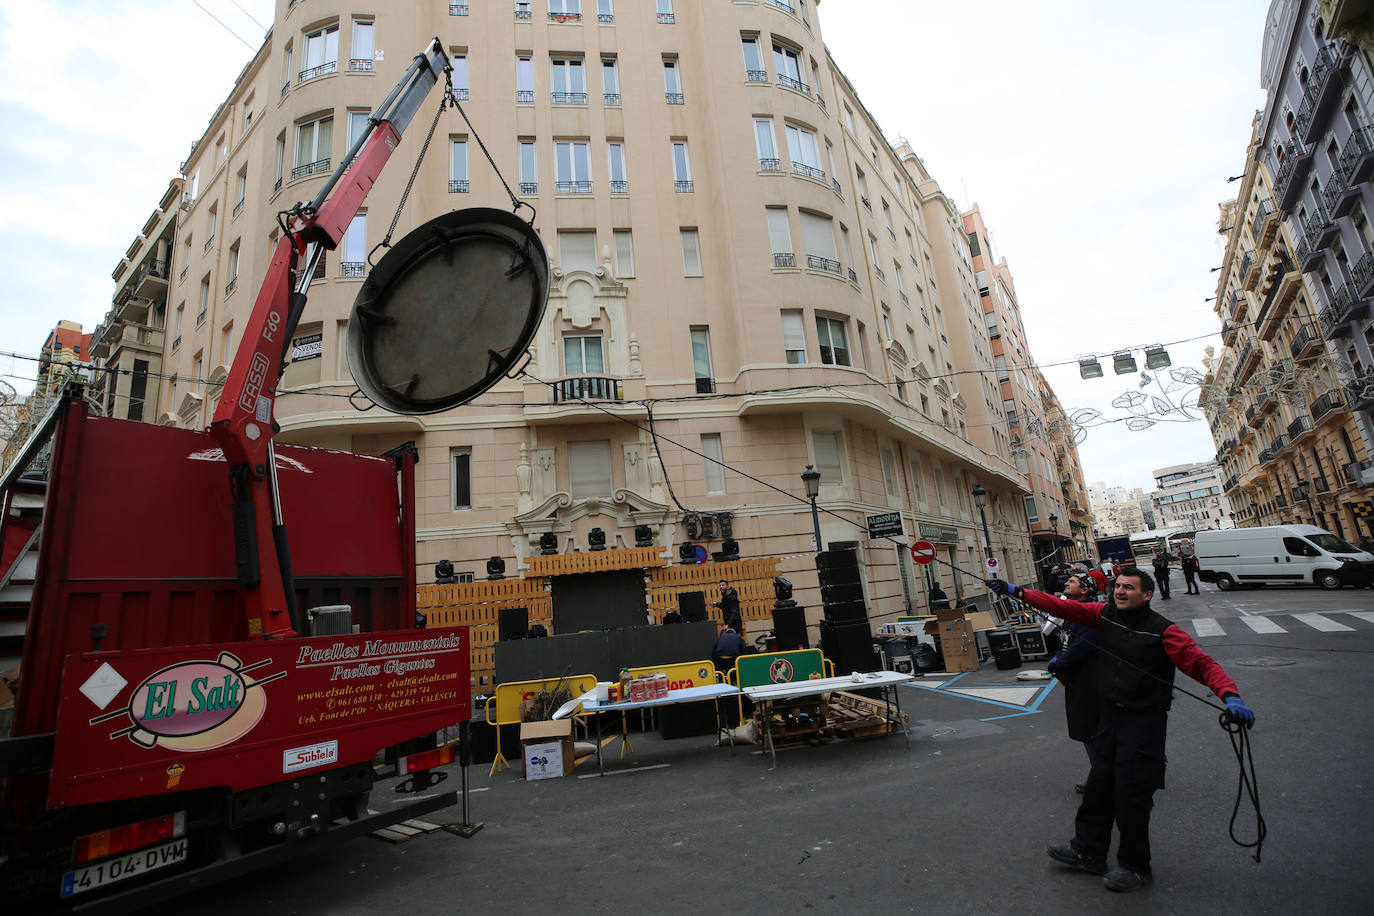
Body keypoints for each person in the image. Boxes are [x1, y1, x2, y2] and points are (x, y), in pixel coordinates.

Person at [989, 569, 1255, 893]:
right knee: (1099, 788)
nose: (1120, 592)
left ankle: (1135, 866)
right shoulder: (1103, 614)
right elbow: (1060, 607)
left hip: (1144, 724)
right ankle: (1088, 851)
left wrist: (1231, 696)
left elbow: (1202, 664)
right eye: (1117, 586)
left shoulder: (1164, 631)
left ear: (1147, 595)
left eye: (1129, 587)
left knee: (1132, 796)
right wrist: (1016, 590)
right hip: (1110, 719)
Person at [1046, 571, 1101, 795]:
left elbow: (1082, 646)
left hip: (1090, 681)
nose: (1067, 583)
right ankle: (1101, 775)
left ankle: (1102, 779)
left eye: (1073, 581)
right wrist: (1058, 657)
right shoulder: (1072, 611)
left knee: (1091, 731)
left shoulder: (1087, 612)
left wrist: (1059, 663)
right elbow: (1067, 642)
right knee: (1087, 731)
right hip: (1078, 679)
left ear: (1085, 590)